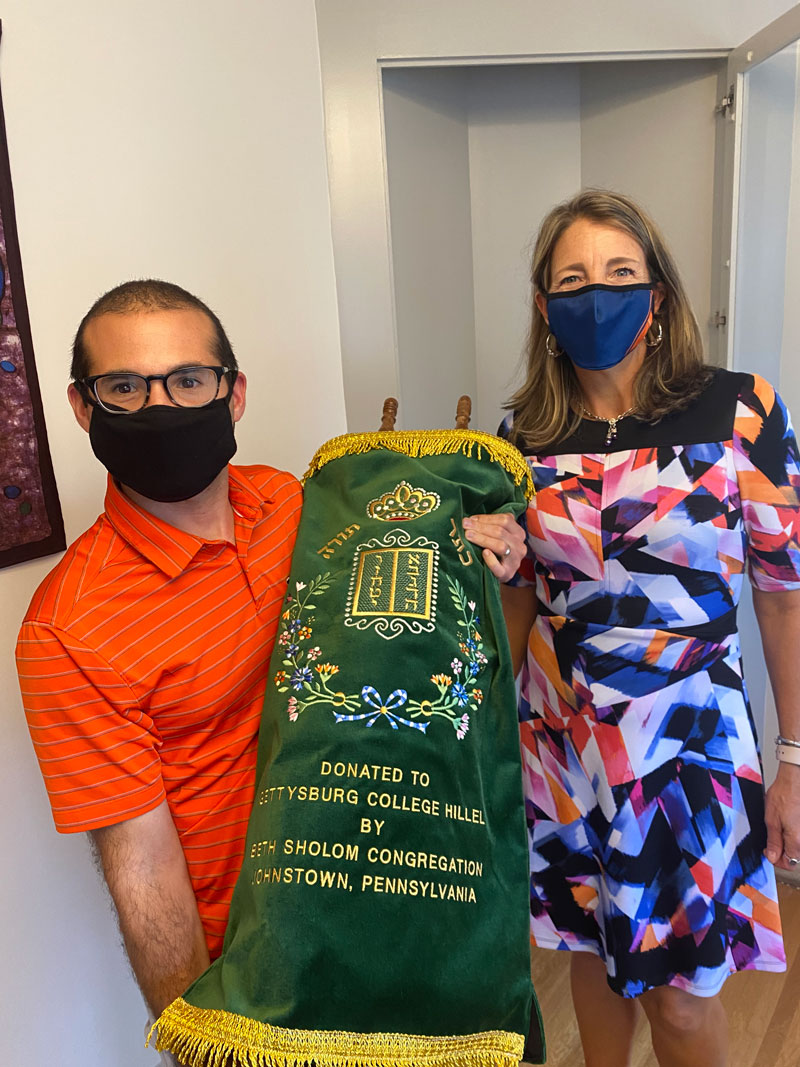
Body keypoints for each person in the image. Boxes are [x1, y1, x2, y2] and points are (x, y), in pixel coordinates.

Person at [16, 279, 525, 1051]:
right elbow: (141, 867)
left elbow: (410, 588)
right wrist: (204, 1033)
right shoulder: (67, 626)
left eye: (189, 380)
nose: (163, 407)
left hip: (398, 902)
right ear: (84, 407)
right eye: (125, 386)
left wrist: (481, 545)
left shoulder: (300, 507)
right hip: (264, 976)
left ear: (234, 392)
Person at [499, 190, 800, 1067]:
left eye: (621, 273)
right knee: (587, 959)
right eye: (574, 278)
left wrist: (795, 760)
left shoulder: (741, 413)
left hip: (687, 742)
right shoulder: (523, 437)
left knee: (680, 997)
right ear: (545, 307)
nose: (599, 294)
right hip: (557, 740)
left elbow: (784, 595)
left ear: (658, 296)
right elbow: (519, 603)